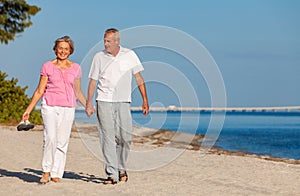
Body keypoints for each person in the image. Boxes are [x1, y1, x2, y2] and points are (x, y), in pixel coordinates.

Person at [85, 28, 149, 185]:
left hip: (123, 101)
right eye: (104, 41)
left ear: (117, 41)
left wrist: (145, 100)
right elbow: (93, 81)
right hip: (104, 100)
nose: (105, 44)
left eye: (108, 41)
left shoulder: (129, 55)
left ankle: (121, 167)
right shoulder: (98, 57)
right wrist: (89, 102)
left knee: (125, 137)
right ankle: (112, 174)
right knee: (107, 137)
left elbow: (139, 78)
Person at [21, 36, 86, 184]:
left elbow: (78, 91)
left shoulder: (76, 68)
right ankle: (46, 171)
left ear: (70, 51)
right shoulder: (47, 66)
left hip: (68, 107)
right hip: (50, 106)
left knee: (62, 141)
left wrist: (88, 105)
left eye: (66, 49)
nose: (63, 51)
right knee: (50, 138)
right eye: (60, 48)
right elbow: (39, 90)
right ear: (55, 49)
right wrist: (28, 110)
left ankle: (56, 172)